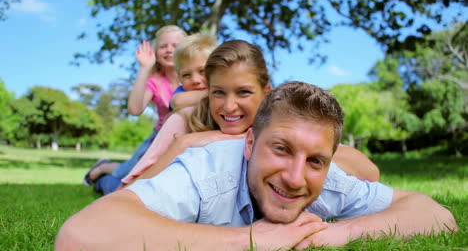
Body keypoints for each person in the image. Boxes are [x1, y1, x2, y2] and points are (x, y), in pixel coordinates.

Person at [56, 81, 457, 250]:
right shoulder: (206, 172)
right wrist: (250, 240)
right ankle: (101, 170)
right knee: (112, 187)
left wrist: (343, 233)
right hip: (150, 182)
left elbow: (437, 215)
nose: (296, 178)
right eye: (281, 149)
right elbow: (79, 235)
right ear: (249, 142)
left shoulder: (328, 181)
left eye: (315, 160)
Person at [121, 39, 379, 186]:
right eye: (218, 92)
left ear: (266, 92)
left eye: (243, 92)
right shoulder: (184, 121)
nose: (229, 106)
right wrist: (185, 144)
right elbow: (131, 188)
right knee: (111, 181)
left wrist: (227, 139)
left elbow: (369, 172)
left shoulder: (280, 124)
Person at [83, 25, 187, 194]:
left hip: (184, 139)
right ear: (155, 51)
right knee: (128, 172)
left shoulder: (195, 76)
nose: (169, 50)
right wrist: (145, 68)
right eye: (163, 46)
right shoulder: (155, 81)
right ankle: (103, 168)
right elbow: (135, 109)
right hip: (158, 139)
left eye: (175, 46)